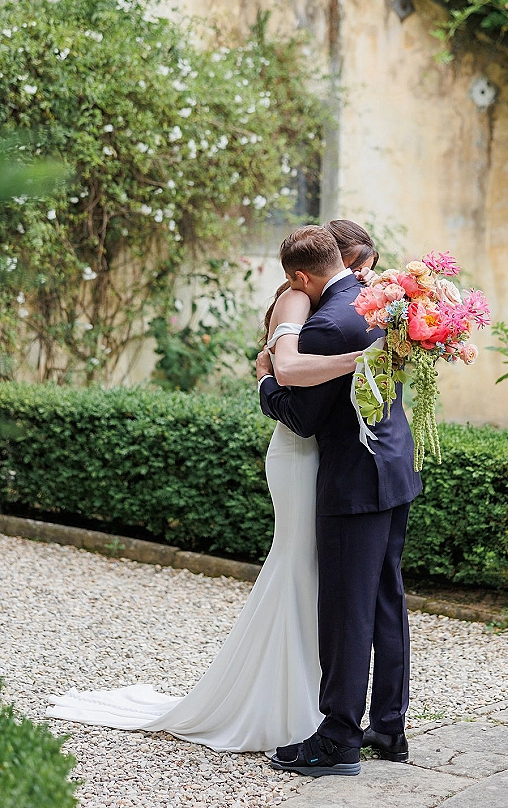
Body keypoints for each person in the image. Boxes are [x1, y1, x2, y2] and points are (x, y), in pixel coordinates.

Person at [45, 222, 376, 754]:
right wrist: (271, 380)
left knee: (311, 569)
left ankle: (322, 700)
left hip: (326, 458)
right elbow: (285, 380)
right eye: (358, 264)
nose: (364, 276)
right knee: (297, 563)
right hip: (299, 453)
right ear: (320, 265)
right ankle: (289, 702)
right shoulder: (297, 301)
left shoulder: (345, 302)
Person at [257, 225, 422, 777]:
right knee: (383, 600)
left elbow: (304, 417)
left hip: (355, 480)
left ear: (302, 277)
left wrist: (265, 383)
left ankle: (338, 741)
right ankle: (389, 726)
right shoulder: (378, 301)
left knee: (346, 609)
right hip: (395, 468)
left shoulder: (328, 325)